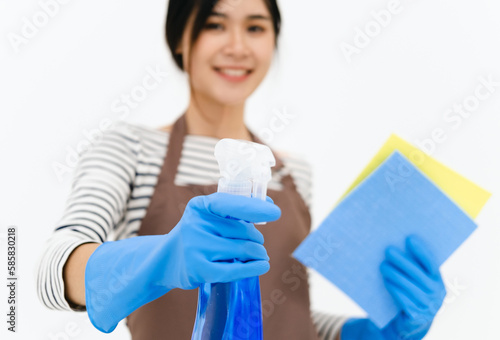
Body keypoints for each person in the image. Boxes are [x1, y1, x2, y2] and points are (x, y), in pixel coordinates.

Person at [35, 0, 446, 339]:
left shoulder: (291, 173)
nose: (237, 47)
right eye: (215, 25)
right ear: (181, 38)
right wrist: (164, 257)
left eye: (255, 28)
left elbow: (278, 315)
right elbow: (52, 272)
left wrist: (372, 332)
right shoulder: (131, 149)